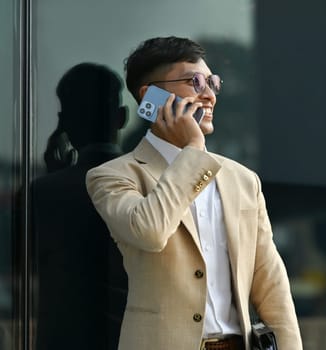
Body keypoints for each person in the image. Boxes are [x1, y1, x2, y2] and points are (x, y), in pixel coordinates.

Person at [85, 36, 303, 350]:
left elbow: (271, 284)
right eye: (196, 81)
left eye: (213, 83)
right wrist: (193, 149)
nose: (209, 95)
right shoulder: (112, 175)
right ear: (152, 97)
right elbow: (150, 231)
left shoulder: (242, 180)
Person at [32, 62, 128, 350]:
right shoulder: (150, 187)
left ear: (64, 123)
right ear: (121, 117)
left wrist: (50, 177)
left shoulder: (43, 193)